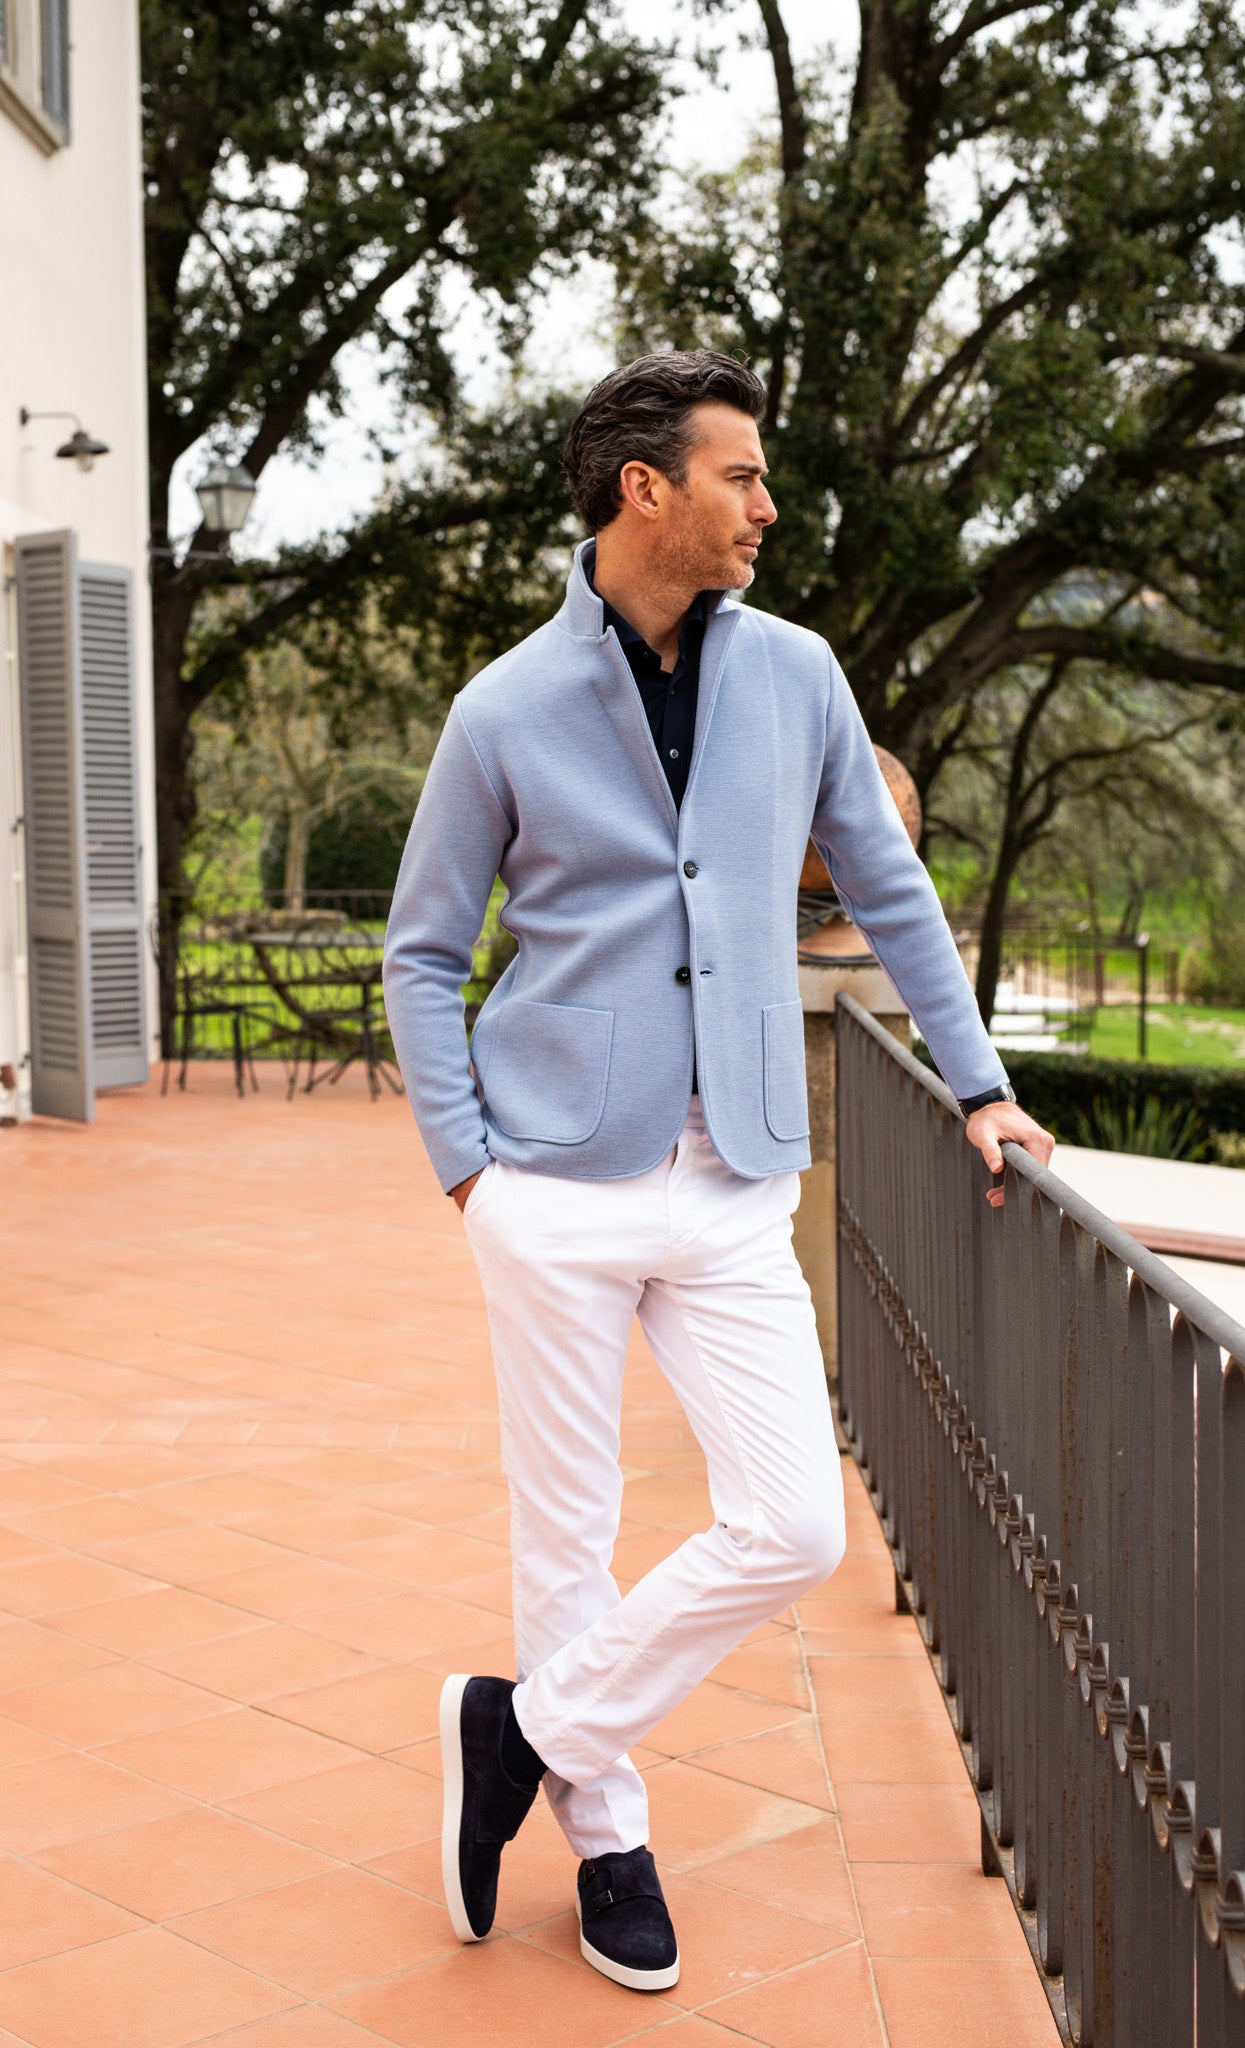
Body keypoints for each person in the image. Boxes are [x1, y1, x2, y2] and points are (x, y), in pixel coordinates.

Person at [381, 350, 1054, 1992]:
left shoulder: (800, 676)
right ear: (645, 492)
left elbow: (889, 894)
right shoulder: (505, 707)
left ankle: (518, 1730)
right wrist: (471, 1167)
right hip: (550, 1179)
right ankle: (607, 1841)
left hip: (737, 1170)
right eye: (740, 476)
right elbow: (419, 950)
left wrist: (980, 1088)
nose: (765, 504)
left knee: (793, 1523)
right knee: (569, 1527)